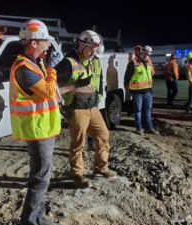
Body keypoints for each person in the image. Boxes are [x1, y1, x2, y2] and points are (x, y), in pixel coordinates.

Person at [9, 19, 62, 225]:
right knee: (40, 180)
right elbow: (49, 92)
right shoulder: (23, 68)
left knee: (42, 178)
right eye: (45, 41)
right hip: (38, 130)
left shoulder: (33, 63)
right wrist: (53, 68)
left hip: (43, 129)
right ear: (33, 43)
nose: (49, 45)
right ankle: (29, 221)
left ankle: (39, 217)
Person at [55, 30, 117, 189]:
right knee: (78, 144)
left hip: (91, 108)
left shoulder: (94, 61)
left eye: (95, 50)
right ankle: (77, 175)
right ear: (81, 46)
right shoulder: (69, 62)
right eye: (90, 49)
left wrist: (99, 96)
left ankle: (100, 168)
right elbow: (54, 87)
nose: (93, 53)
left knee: (103, 135)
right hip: (76, 109)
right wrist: (65, 103)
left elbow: (99, 80)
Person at [124, 45, 159, 136]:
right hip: (137, 92)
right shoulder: (133, 63)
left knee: (147, 109)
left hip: (147, 91)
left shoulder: (148, 63)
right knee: (138, 110)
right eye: (145, 54)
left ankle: (149, 127)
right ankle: (139, 129)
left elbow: (150, 75)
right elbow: (127, 78)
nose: (146, 56)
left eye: (148, 55)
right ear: (141, 53)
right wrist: (133, 87)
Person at [84, 40, 104, 156]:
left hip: (94, 95)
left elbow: (100, 79)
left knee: (92, 123)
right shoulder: (84, 61)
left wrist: (100, 93)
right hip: (83, 96)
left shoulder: (97, 62)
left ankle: (91, 144)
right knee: (82, 124)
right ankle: (81, 147)